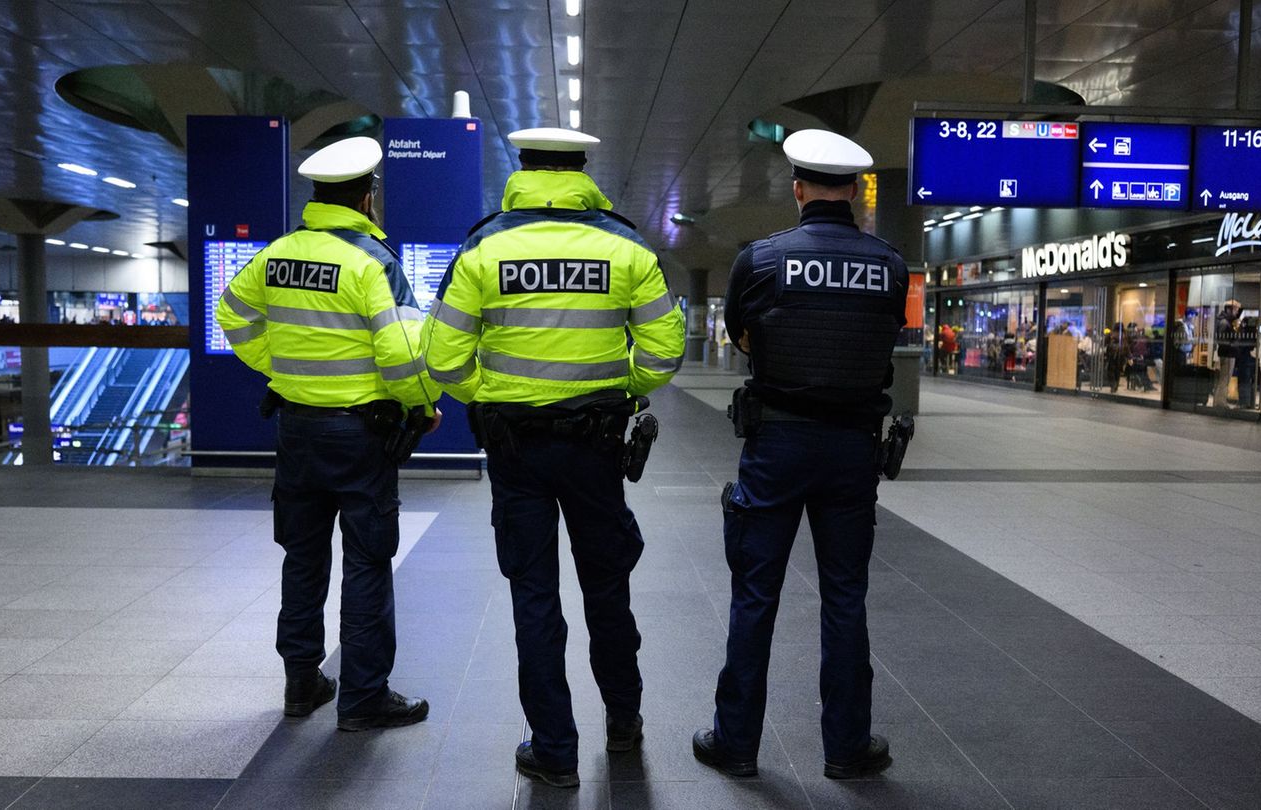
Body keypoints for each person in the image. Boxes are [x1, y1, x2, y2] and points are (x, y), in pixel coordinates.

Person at [423, 127, 685, 788]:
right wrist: (622, 388)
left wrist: (492, 396)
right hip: (597, 447)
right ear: (582, 170)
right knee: (607, 588)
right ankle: (623, 723)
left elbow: (443, 359)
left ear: (523, 168)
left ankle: (555, 751)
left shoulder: (484, 248)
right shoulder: (624, 247)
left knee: (534, 598)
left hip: (515, 451)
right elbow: (663, 352)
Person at [693, 129, 907, 781]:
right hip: (851, 450)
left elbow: (740, 334)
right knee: (845, 597)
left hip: (777, 444)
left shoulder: (762, 260)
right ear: (857, 194)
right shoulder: (890, 265)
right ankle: (846, 747)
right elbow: (885, 332)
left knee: (755, 593)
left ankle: (736, 743)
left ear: (798, 189)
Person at [215, 136, 440, 730]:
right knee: (367, 560)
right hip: (362, 435)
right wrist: (422, 405)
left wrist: (280, 367)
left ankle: (300, 684)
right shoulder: (374, 262)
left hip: (296, 429)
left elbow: (231, 313)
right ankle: (363, 697)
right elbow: (402, 354)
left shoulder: (278, 255)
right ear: (368, 198)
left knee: (303, 556)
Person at [1214, 299, 1243, 408]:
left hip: (1228, 353)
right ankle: (1220, 403)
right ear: (1230, 309)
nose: (1237, 312)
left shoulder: (1227, 321)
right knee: (1224, 378)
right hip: (1227, 353)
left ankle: (1219, 401)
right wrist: (1233, 342)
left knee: (1224, 378)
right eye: (1236, 309)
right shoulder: (1225, 322)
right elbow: (1223, 340)